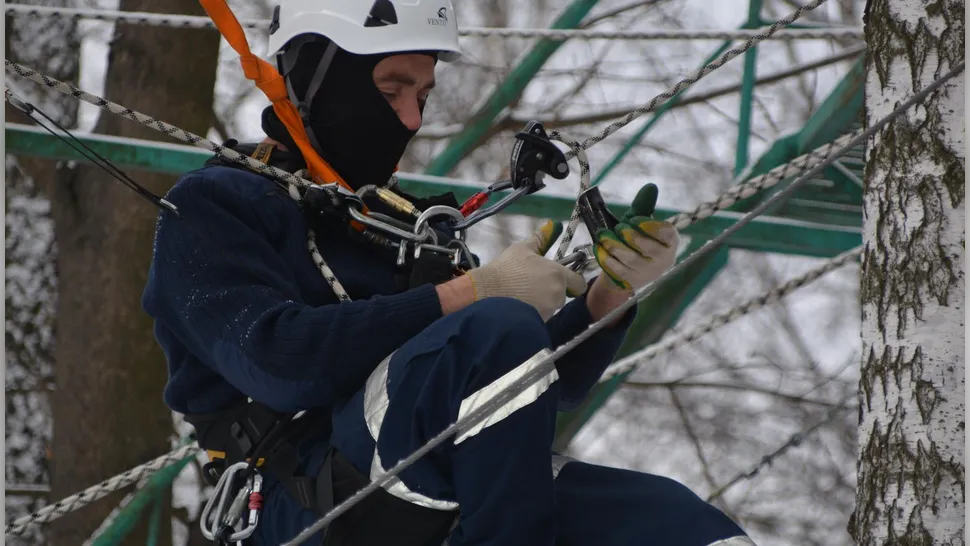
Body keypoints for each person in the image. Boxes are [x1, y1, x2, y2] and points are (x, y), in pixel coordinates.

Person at [142, 1, 756, 545]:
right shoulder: (213, 207)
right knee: (494, 328)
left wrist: (608, 296)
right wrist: (474, 294)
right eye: (391, 91)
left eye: (424, 96)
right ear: (317, 79)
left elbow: (530, 385)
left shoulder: (405, 224)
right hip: (301, 504)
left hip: (434, 482)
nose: (411, 119)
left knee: (674, 522)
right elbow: (279, 362)